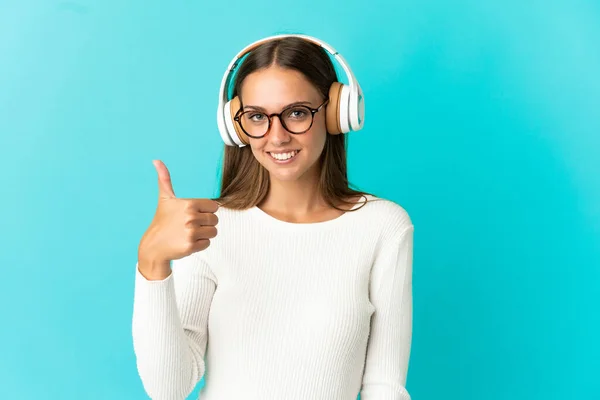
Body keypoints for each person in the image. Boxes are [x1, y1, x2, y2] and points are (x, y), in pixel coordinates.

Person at [132, 34, 414, 400]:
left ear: (335, 113)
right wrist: (152, 262)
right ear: (236, 126)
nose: (276, 136)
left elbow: (385, 387)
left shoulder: (383, 226)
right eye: (257, 117)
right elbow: (168, 389)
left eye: (297, 112)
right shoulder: (208, 226)